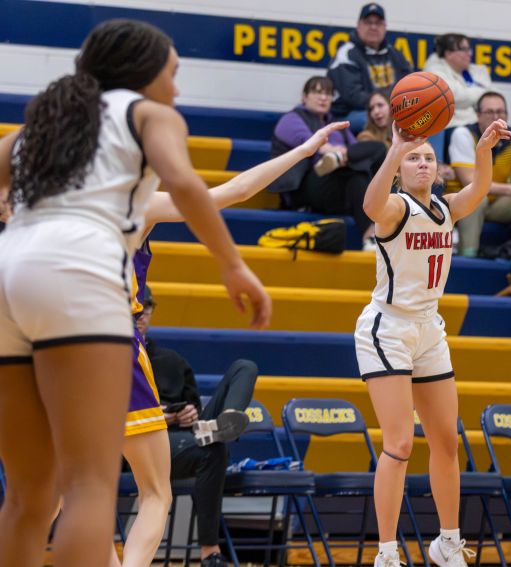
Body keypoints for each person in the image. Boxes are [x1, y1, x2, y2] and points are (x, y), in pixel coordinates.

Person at [0, 19, 270, 567]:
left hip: (11, 284)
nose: (176, 86)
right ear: (142, 74)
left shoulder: (39, 129)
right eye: (173, 72)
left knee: (29, 496)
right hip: (82, 281)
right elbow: (189, 186)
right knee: (88, 487)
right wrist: (233, 265)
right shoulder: (147, 113)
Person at [111, 118, 346, 567]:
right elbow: (234, 192)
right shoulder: (136, 206)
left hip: (49, 346)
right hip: (110, 341)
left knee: (67, 494)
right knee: (156, 492)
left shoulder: (59, 205)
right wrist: (302, 151)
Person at [355, 117, 511, 567]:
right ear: (401, 170)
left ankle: (447, 542)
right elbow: (370, 205)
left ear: (438, 169)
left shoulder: (445, 209)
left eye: (428, 158)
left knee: (447, 441)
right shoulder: (395, 209)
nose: (422, 164)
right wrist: (394, 149)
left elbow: (479, 190)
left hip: (428, 328)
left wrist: (483, 151)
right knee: (400, 444)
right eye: (413, 159)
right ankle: (386, 551)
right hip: (387, 329)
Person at [136, 287, 258, 567]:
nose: (142, 313)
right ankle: (209, 552)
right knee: (213, 450)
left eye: (148, 306)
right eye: (136, 307)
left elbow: (191, 403)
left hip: (185, 436)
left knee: (245, 366)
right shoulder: (114, 357)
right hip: (141, 441)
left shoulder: (171, 360)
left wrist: (190, 414)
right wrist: (160, 417)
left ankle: (227, 417)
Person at [272, 76, 385, 249]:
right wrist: (330, 150)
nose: (324, 97)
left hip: (335, 186)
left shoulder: (336, 125)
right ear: (304, 97)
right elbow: (308, 143)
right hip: (305, 187)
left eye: (328, 94)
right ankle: (338, 160)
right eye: (317, 92)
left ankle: (370, 237)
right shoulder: (291, 119)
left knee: (372, 156)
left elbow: (360, 153)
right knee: (357, 166)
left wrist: (345, 156)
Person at [448, 91, 511, 257]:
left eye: (500, 112)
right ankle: (467, 258)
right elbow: (470, 182)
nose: (495, 117)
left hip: (497, 203)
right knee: (477, 197)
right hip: (463, 201)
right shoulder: (463, 134)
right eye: (489, 112)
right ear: (478, 115)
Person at [328, 3, 411, 132]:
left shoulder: (395, 54)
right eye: (368, 22)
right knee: (377, 118)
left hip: (391, 110)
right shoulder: (347, 54)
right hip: (353, 114)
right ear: (359, 25)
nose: (373, 27)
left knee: (428, 118)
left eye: (378, 23)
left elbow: (409, 85)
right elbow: (352, 96)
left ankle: (427, 153)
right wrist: (385, 107)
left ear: (385, 27)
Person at [424, 33, 492, 131]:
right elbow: (453, 96)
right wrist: (482, 93)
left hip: (477, 126)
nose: (469, 53)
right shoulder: (433, 70)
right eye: (464, 49)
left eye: (469, 49)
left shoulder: (477, 70)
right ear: (448, 53)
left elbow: (492, 99)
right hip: (451, 128)